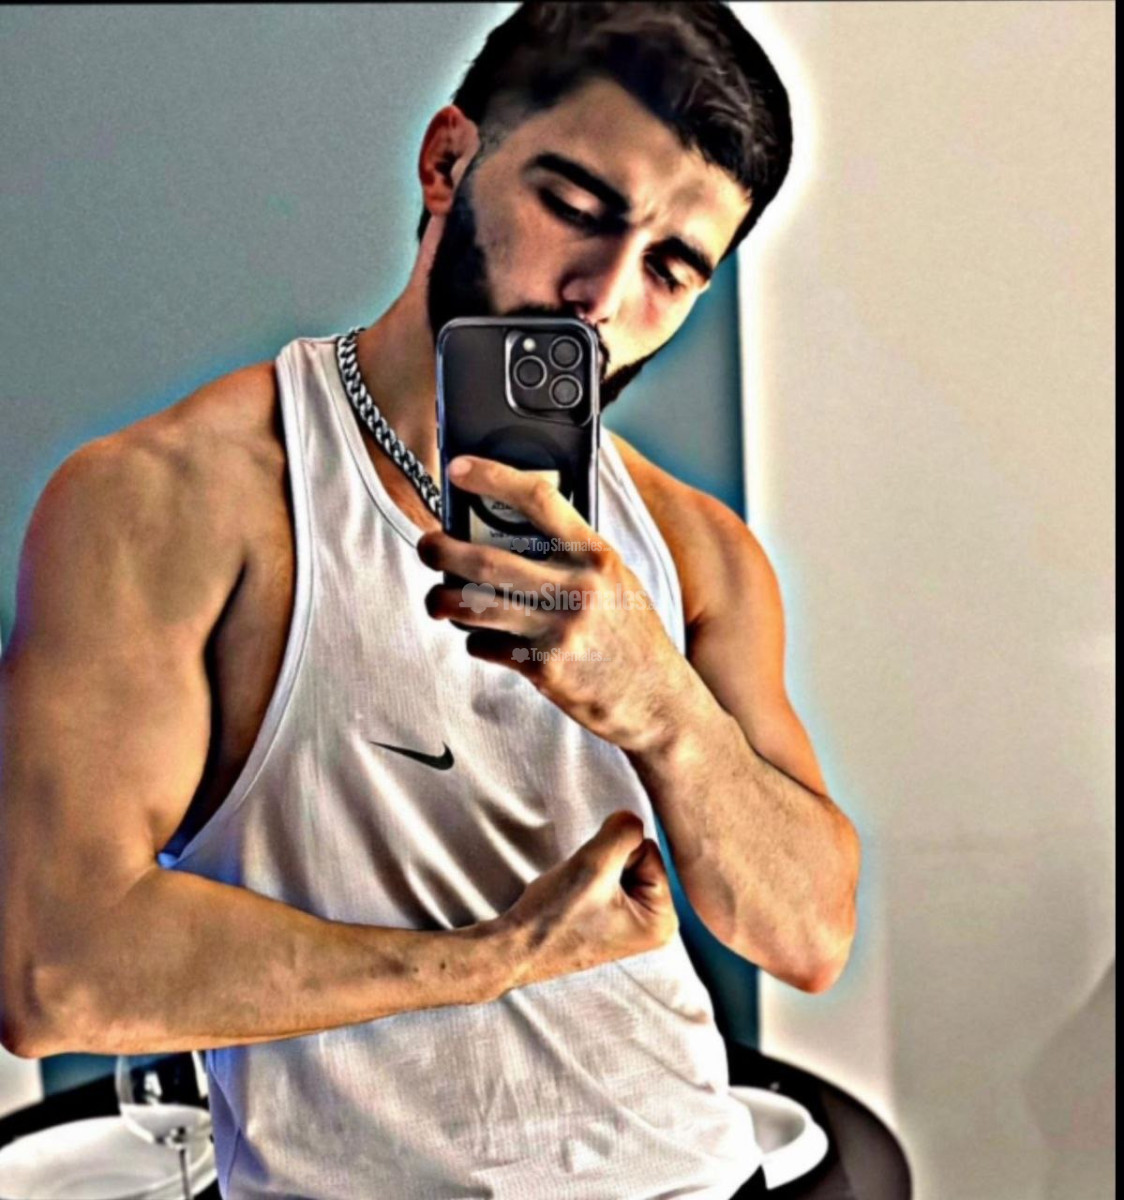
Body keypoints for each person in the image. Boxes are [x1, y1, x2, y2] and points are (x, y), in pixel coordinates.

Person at [0, 3, 860, 1196]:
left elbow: (808, 934)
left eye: (669, 268)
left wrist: (661, 704)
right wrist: (492, 959)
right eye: (576, 207)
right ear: (449, 159)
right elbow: (58, 976)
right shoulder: (174, 499)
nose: (601, 296)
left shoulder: (696, 551)